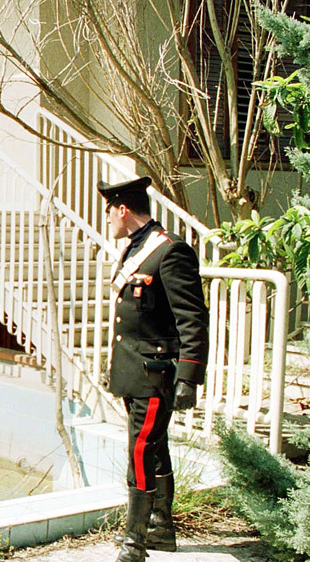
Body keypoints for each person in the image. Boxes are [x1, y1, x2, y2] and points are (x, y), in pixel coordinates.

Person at [99, 176, 209, 562]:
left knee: (140, 450)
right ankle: (161, 529)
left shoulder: (170, 251)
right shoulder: (136, 248)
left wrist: (189, 376)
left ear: (122, 209)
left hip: (155, 373)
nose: (108, 218)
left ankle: (135, 543)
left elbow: (192, 318)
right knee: (155, 447)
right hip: (134, 369)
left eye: (109, 210)